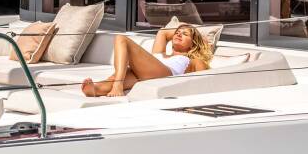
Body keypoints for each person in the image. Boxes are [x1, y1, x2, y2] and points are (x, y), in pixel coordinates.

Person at [81, 23, 213, 98]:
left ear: (193, 44)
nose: (178, 34)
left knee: (121, 39)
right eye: (177, 32)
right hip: (147, 75)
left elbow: (204, 81)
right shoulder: (160, 53)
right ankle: (96, 89)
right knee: (126, 71)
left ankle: (117, 85)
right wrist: (184, 30)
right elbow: (163, 32)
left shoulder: (194, 60)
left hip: (165, 75)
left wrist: (198, 35)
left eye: (185, 34)